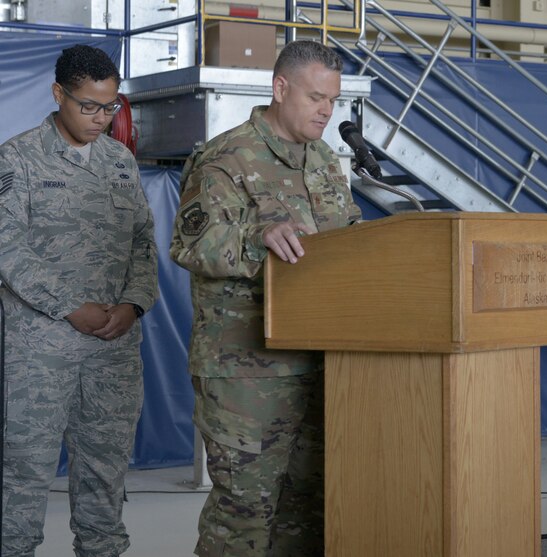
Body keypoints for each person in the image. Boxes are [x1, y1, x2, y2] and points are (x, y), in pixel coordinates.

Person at [170, 39, 362, 556]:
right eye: (316, 97)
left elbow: (346, 241)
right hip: (245, 375)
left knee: (308, 511)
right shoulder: (226, 158)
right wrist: (259, 239)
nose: (326, 110)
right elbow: (191, 243)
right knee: (244, 515)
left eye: (333, 100)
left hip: (318, 364)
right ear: (280, 88)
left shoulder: (325, 160)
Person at [0, 44, 158, 556]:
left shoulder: (120, 161)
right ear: (58, 94)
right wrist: (69, 305)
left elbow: (143, 242)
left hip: (112, 349)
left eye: (110, 106)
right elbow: (7, 247)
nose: (100, 118)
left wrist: (133, 305)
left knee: (105, 475)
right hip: (40, 350)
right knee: (22, 473)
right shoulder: (17, 157)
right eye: (88, 105)